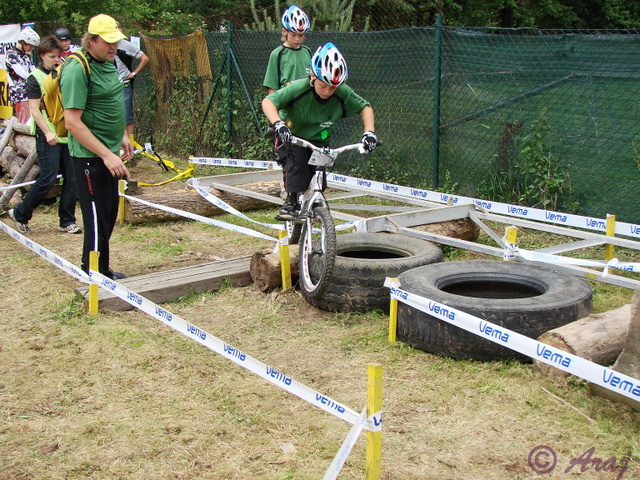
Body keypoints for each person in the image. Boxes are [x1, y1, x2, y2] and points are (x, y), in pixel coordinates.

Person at [262, 42, 378, 220]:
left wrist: (369, 133)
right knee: (297, 167)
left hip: (320, 142)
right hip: (294, 137)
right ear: (313, 76)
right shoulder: (298, 88)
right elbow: (268, 101)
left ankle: (315, 211)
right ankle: (291, 202)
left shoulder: (342, 92)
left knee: (319, 181)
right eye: (323, 85)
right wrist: (278, 123)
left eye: (333, 87)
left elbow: (365, 107)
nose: (328, 91)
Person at [61, 13, 133, 280]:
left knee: (108, 214)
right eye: (107, 42)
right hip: (90, 157)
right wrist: (105, 154)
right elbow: (72, 122)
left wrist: (122, 136)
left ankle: (101, 269)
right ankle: (93, 276)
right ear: (90, 40)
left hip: (109, 152)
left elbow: (108, 103)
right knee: (95, 217)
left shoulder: (108, 62)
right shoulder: (77, 68)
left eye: (117, 41)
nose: (114, 46)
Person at [7, 36, 81, 235]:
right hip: (47, 132)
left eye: (58, 56)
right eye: (52, 56)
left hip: (67, 133)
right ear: (42, 56)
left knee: (72, 178)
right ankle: (20, 213)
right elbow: (34, 109)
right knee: (47, 178)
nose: (56, 60)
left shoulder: (63, 74)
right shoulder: (35, 77)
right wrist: (48, 132)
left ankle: (66, 220)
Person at [262, 5, 312, 94]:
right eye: (293, 35)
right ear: (285, 31)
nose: (297, 39)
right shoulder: (277, 54)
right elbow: (272, 86)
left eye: (300, 35)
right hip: (286, 103)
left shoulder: (307, 51)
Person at [114, 24, 149, 137]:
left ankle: (130, 145)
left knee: (127, 116)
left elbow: (144, 58)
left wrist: (133, 73)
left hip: (124, 85)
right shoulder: (104, 45)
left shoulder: (126, 45)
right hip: (110, 86)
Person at [5, 27, 40, 124]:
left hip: (31, 93)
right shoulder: (11, 54)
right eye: (31, 46)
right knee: (25, 123)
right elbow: (24, 75)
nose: (32, 48)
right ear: (24, 43)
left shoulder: (26, 56)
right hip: (20, 95)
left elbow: (34, 71)